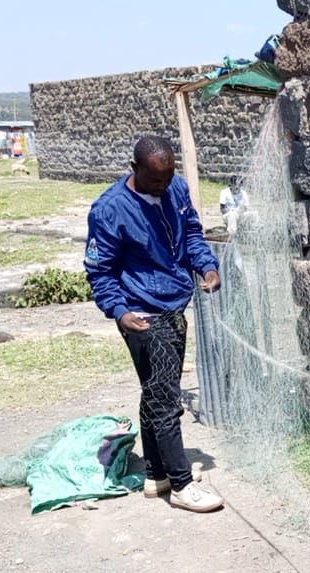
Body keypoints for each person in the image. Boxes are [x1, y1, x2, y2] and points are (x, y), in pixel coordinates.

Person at [85, 135, 224, 513]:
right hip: (141, 314)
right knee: (165, 399)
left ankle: (157, 474)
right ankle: (181, 486)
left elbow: (192, 233)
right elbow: (100, 270)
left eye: (168, 178)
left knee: (154, 390)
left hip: (173, 301)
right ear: (135, 170)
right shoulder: (110, 210)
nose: (162, 187)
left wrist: (207, 265)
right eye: (154, 180)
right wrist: (119, 312)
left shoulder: (175, 189)